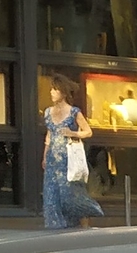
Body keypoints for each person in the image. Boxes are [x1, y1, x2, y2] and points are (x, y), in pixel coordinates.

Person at [42, 79, 103, 231]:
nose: (51, 93)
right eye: (51, 89)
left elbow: (88, 131)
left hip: (68, 159)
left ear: (63, 92)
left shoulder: (74, 112)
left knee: (69, 193)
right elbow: (49, 135)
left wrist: (73, 133)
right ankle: (55, 225)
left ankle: (85, 217)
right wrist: (44, 156)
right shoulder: (48, 112)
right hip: (52, 159)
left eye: (54, 90)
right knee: (51, 193)